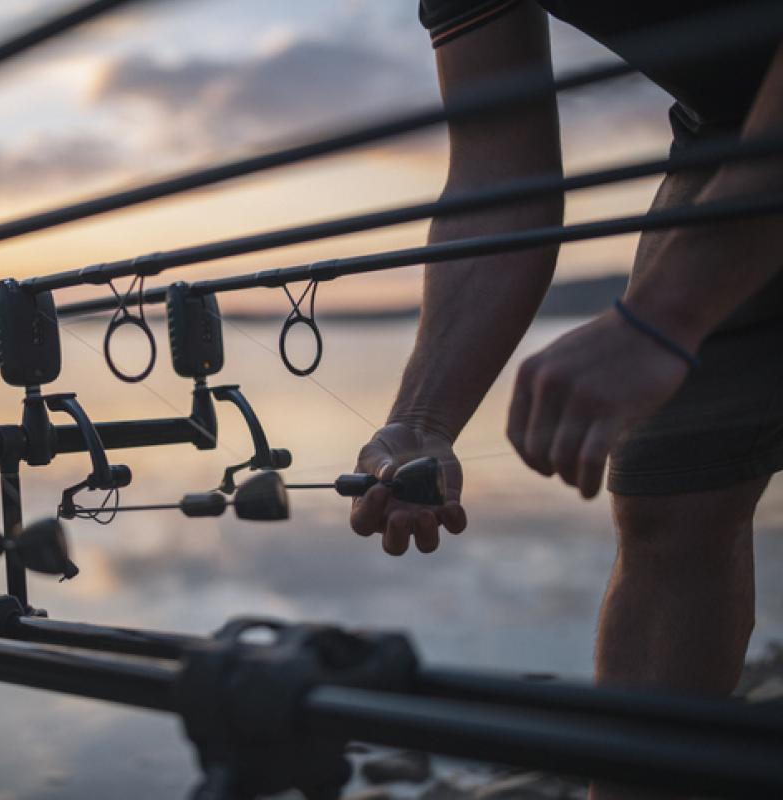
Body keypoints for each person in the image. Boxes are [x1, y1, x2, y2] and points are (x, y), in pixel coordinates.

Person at [350, 3, 782, 793]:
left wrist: (664, 317)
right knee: (669, 501)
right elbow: (500, 172)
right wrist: (421, 418)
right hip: (731, 133)